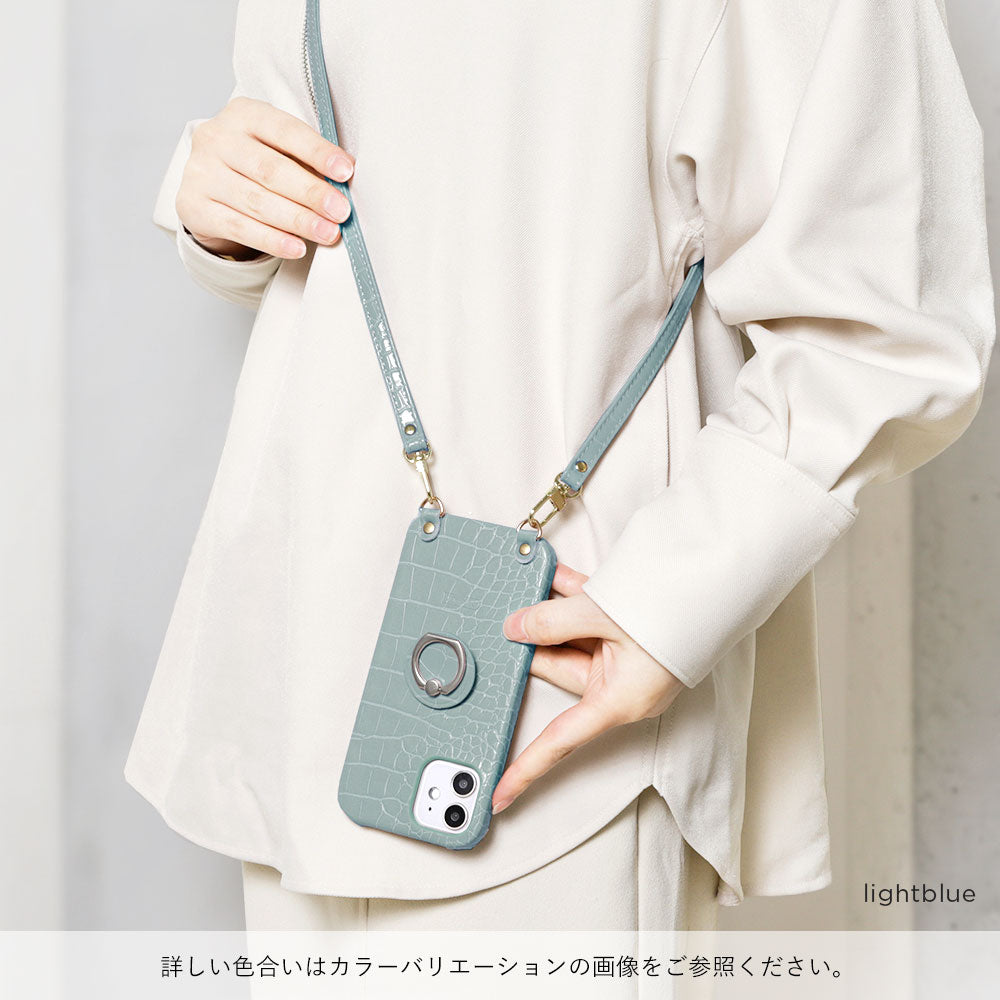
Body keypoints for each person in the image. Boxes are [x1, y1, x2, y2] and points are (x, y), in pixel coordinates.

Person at [125, 0, 994, 960]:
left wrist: (675, 596)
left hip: (555, 698)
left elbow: (888, 321)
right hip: (293, 679)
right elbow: (363, 208)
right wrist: (224, 206)